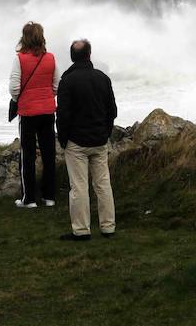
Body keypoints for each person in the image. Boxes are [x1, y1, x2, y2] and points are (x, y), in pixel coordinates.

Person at [56, 39, 116, 241]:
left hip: (76, 143)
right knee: (103, 184)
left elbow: (62, 115)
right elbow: (112, 112)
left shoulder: (67, 81)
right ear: (89, 55)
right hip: (99, 141)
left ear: (72, 57)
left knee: (79, 187)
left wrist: (64, 140)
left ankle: (81, 231)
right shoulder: (103, 78)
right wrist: (105, 133)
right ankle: (108, 227)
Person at [9, 22, 60, 208]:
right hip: (48, 111)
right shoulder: (51, 58)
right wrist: (47, 97)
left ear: (25, 37)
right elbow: (56, 85)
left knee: (27, 155)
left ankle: (29, 199)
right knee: (49, 154)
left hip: (28, 113)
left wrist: (21, 99)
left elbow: (14, 88)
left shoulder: (19, 59)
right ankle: (49, 197)